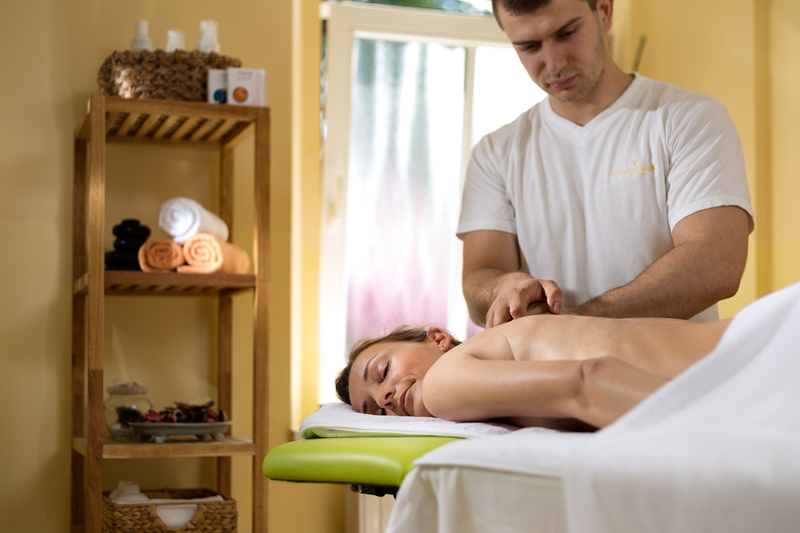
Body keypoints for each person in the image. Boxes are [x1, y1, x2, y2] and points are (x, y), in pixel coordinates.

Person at [460, 0, 753, 328]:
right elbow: (478, 280)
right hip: (545, 363)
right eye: (529, 46)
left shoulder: (690, 119)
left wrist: (579, 322)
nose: (554, 63)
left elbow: (716, 263)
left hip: (672, 363)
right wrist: (504, 287)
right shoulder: (495, 153)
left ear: (604, 12)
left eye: (567, 33)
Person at [335, 310, 731, 429]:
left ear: (438, 337)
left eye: (382, 371)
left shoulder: (442, 385)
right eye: (375, 412)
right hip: (737, 342)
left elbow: (587, 382)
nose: (384, 397)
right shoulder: (508, 344)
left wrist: (730, 424)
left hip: (734, 374)